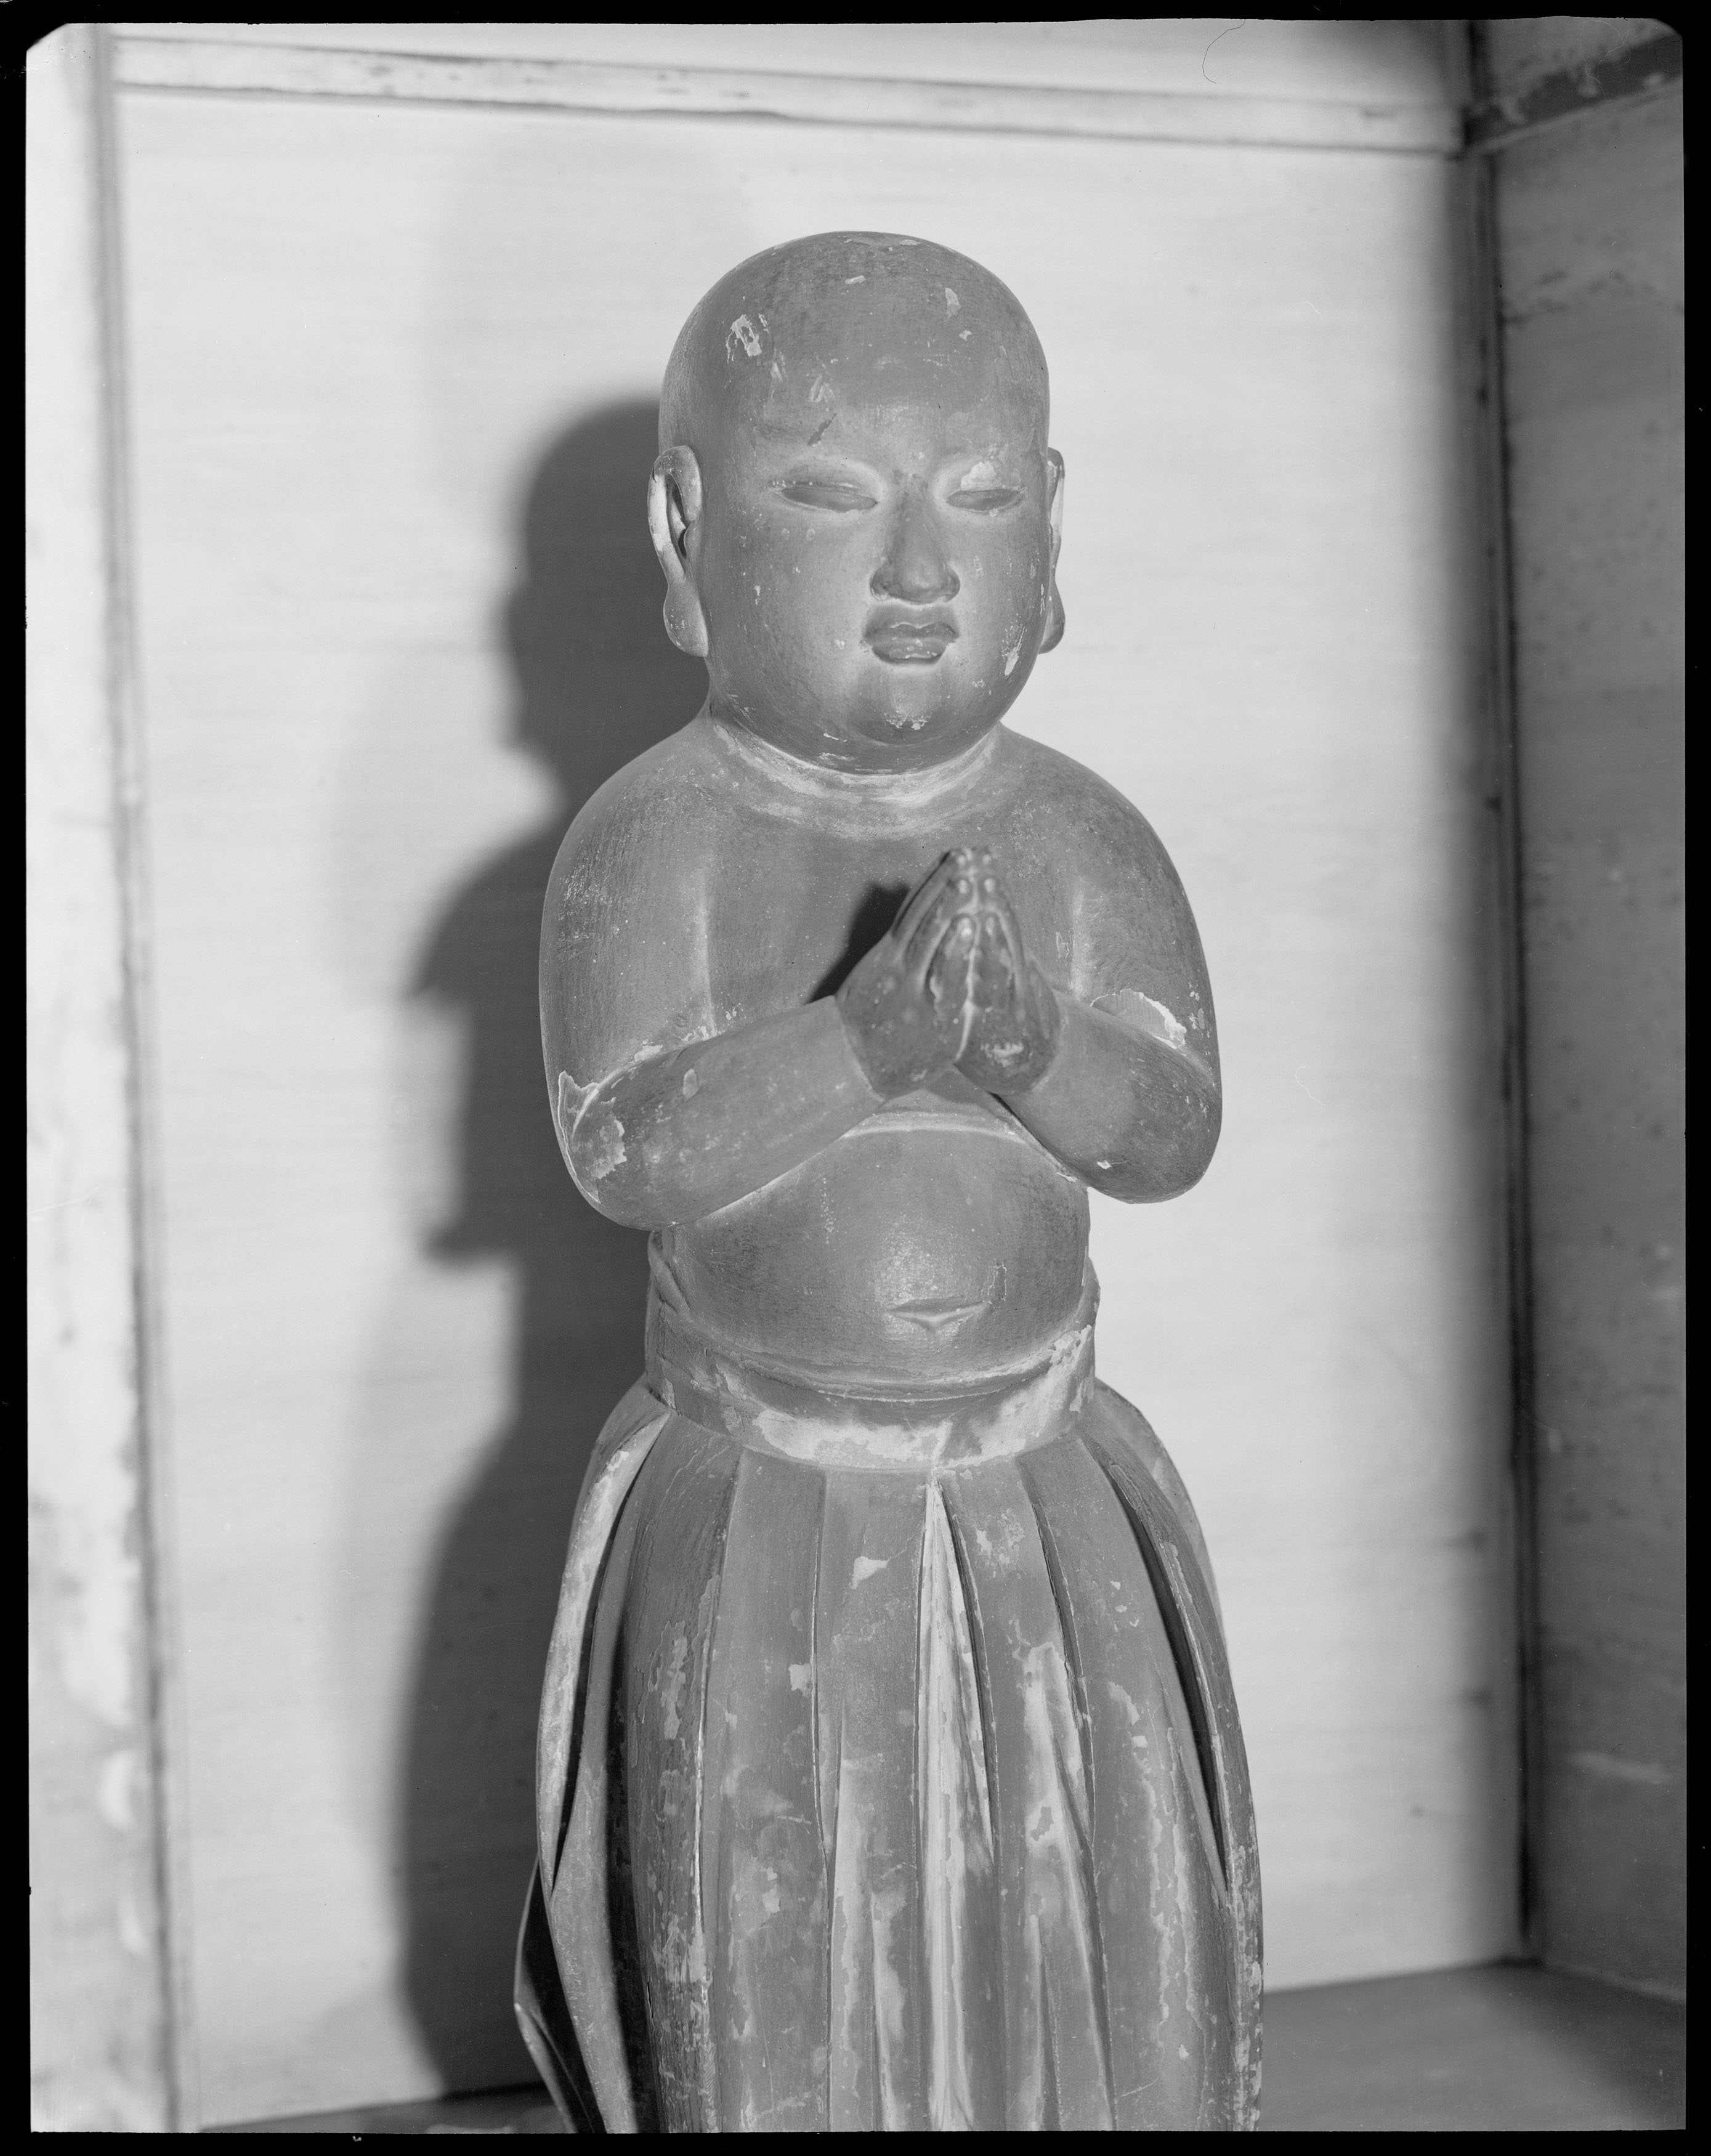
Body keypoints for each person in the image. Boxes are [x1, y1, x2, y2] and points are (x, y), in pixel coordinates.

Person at [515, 231, 1260, 2133]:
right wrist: (859, 1044)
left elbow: (1171, 1131)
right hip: (761, 1497)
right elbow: (624, 1147)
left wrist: (1026, 1043)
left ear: (1054, 533)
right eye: (832, 496)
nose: (920, 568)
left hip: (1043, 1491)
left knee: (1094, 1956)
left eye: (982, 499)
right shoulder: (657, 837)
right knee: (777, 1974)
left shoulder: (1076, 835)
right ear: (683, 533)